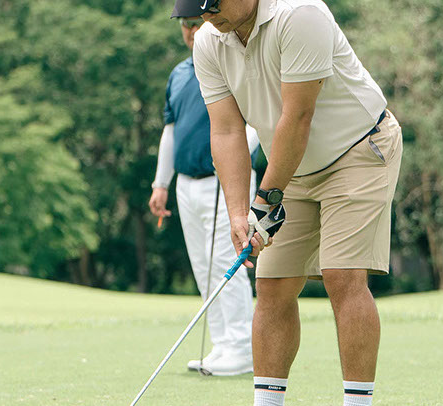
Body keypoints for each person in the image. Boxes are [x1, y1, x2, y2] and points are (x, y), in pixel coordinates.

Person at [171, 0, 403, 405]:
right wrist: (239, 212)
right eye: (199, 10)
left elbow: (297, 117)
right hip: (291, 165)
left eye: (213, 4)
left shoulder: (300, 14)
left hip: (358, 149)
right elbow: (226, 131)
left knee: (341, 275)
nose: (207, 17)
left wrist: (264, 200)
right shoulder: (209, 41)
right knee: (273, 284)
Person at [148, 15, 260, 376]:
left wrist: (230, 160)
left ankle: (242, 348)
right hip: (186, 184)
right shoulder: (180, 74)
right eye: (185, 24)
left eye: (197, 21)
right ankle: (223, 345)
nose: (192, 30)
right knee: (203, 265)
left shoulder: (234, 63)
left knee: (226, 261)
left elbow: (258, 123)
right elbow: (170, 131)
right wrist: (160, 183)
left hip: (225, 181)